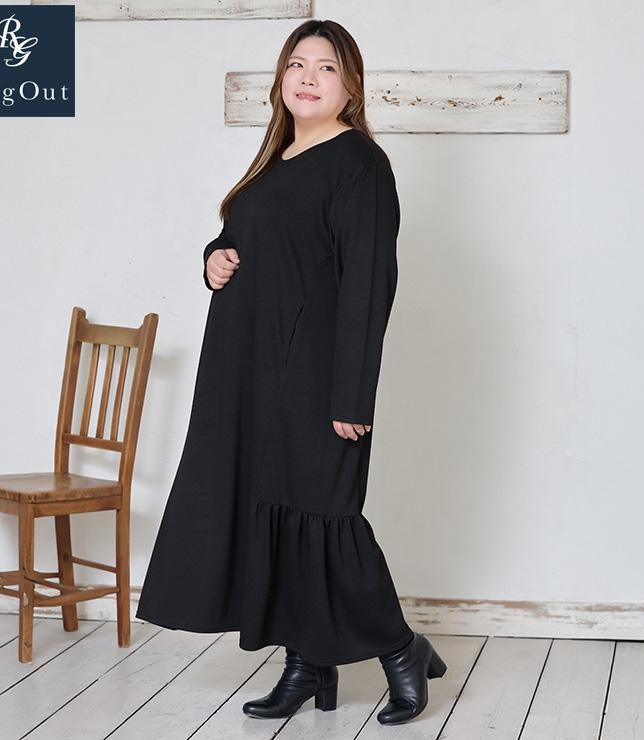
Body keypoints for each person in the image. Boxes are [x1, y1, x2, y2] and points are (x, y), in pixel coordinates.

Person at [135, 18, 447, 726]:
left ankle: (401, 649)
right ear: (281, 78)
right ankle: (306, 664)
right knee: (278, 517)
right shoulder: (276, 158)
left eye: (327, 67)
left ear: (351, 86)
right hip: (250, 377)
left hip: (314, 381)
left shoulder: (360, 165)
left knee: (325, 520)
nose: (308, 77)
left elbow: (369, 285)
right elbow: (253, 239)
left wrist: (351, 395)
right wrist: (215, 257)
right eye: (297, 64)